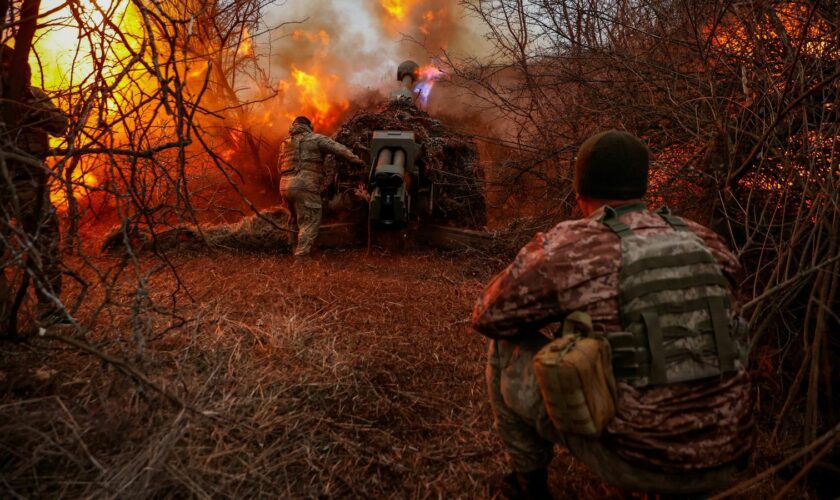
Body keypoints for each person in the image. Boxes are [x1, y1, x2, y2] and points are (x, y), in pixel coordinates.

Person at [472, 130, 754, 498]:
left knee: (505, 348)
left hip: (636, 460)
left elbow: (489, 316)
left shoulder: (572, 245)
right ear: (643, 189)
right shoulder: (706, 240)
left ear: (579, 195)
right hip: (728, 457)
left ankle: (528, 486)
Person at [0, 44, 69, 331]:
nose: (8, 72)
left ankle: (50, 310)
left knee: (45, 244)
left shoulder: (34, 95)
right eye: (2, 68)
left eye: (11, 66)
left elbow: (60, 124)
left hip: (32, 182)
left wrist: (28, 106)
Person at [277, 116, 365, 258]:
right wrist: (358, 161)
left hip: (285, 185)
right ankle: (301, 258)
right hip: (304, 185)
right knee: (310, 221)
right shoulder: (315, 139)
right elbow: (339, 149)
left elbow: (279, 167)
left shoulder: (284, 143)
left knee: (294, 219)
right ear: (309, 126)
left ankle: (292, 248)